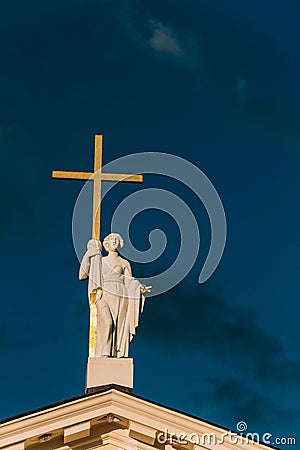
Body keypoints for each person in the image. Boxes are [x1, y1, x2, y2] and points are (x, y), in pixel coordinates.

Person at [80, 233, 151, 358]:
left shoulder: (124, 263)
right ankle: (103, 353)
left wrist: (139, 286)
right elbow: (82, 275)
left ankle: (114, 354)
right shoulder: (100, 260)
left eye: (117, 239)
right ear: (106, 243)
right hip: (104, 293)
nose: (114, 241)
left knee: (118, 327)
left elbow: (129, 280)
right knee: (107, 323)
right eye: (112, 239)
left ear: (121, 243)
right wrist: (89, 254)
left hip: (120, 295)